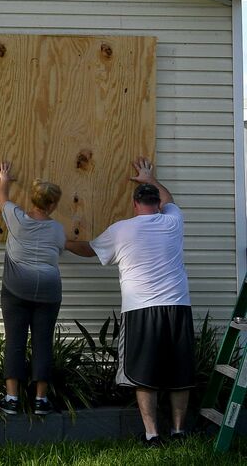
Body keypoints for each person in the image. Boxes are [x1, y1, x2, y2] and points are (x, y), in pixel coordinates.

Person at [66, 157, 191, 447]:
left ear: (135, 205)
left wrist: (61, 241)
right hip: (178, 305)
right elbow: (169, 198)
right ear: (157, 204)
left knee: (143, 374)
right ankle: (179, 432)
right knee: (179, 372)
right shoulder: (173, 220)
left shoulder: (121, 230)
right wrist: (149, 177)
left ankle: (152, 435)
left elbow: (89, 249)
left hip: (141, 310)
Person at [0, 161, 66, 416]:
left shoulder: (16, 218)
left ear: (33, 199)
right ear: (52, 205)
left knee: (15, 342)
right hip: (48, 292)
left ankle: (12, 399)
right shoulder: (58, 229)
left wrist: (5, 178)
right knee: (43, 343)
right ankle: (40, 401)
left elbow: (2, 197)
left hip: (15, 290)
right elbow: (58, 249)